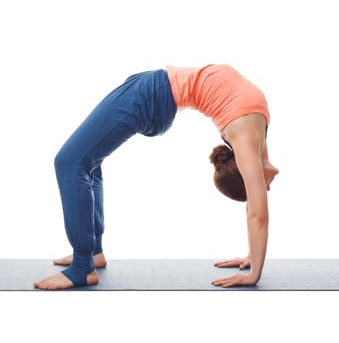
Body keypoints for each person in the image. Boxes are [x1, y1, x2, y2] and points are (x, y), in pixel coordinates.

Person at [33, 64, 279, 290]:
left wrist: (254, 272)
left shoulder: (246, 135)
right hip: (156, 95)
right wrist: (251, 254)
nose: (264, 188)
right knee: (89, 161)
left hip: (150, 95)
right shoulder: (256, 131)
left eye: (258, 184)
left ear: (244, 168)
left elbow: (257, 214)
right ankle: (92, 253)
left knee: (69, 162)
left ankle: (81, 268)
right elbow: (255, 196)